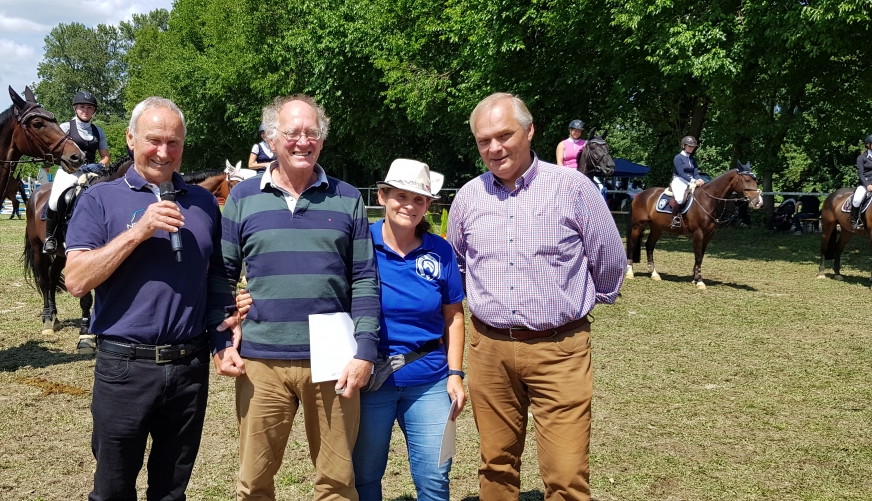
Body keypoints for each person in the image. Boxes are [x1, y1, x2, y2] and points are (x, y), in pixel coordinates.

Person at [236, 158, 465, 500]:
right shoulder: (358, 239)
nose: (409, 205)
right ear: (383, 196)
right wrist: (255, 299)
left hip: (427, 375)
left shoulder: (440, 250)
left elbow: (455, 316)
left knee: (434, 478)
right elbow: (317, 280)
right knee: (363, 476)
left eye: (419, 199)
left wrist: (456, 372)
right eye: (400, 195)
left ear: (429, 205)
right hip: (368, 376)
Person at [447, 92, 625, 501]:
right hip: (488, 349)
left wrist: (571, 311)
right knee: (495, 466)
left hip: (559, 350)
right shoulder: (468, 198)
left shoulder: (574, 189)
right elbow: (455, 264)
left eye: (504, 135)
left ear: (529, 131)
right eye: (483, 141)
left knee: (566, 476)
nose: (494, 148)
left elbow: (610, 260)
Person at [62, 96, 241, 501]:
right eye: (153, 140)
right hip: (125, 368)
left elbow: (216, 276)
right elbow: (75, 281)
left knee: (171, 491)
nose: (163, 151)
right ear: (130, 139)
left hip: (189, 368)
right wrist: (138, 231)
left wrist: (224, 331)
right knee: (112, 489)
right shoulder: (100, 199)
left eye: (173, 142)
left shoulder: (202, 203)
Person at [219, 94, 380, 500]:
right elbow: (220, 276)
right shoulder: (242, 198)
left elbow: (363, 278)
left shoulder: (347, 198)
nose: (302, 141)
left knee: (337, 481)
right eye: (292, 132)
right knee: (254, 481)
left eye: (312, 133)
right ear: (272, 139)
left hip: (333, 361)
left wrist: (365, 351)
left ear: (322, 141)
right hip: (261, 361)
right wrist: (221, 340)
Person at [43, 91, 110, 254]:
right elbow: (57, 153)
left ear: (94, 110)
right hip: (69, 171)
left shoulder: (98, 131)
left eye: (89, 107)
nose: (85, 110)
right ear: (75, 108)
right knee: (54, 200)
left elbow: (105, 156)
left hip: (93, 172)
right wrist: (75, 166)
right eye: (82, 107)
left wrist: (99, 166)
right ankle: (50, 237)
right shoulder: (65, 128)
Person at [669, 135, 705, 228]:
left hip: (690, 181)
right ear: (684, 146)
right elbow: (681, 173)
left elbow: (696, 173)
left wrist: (700, 179)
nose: (692, 148)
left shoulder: (693, 159)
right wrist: (693, 181)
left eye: (693, 147)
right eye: (690, 146)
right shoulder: (678, 158)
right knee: (680, 199)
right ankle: (675, 218)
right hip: (679, 180)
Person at [852, 135, 872, 229]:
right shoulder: (861, 158)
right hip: (865, 184)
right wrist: (868, 185)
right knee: (857, 199)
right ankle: (855, 221)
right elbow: (861, 173)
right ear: (868, 145)